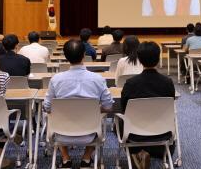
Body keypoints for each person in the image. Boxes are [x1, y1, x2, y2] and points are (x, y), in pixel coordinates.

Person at [44, 39, 113, 168]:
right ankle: (86, 158)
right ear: (84, 55)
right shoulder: (98, 79)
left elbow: (47, 107)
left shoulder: (56, 79)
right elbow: (108, 106)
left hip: (61, 133)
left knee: (53, 115)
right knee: (98, 117)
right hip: (91, 133)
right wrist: (93, 110)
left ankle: (65, 158)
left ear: (65, 56)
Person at [121, 41, 176, 168]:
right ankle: (151, 152)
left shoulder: (131, 83)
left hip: (134, 135)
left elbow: (124, 109)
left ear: (139, 59)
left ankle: (138, 152)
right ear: (158, 59)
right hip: (162, 133)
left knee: (121, 118)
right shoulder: (167, 82)